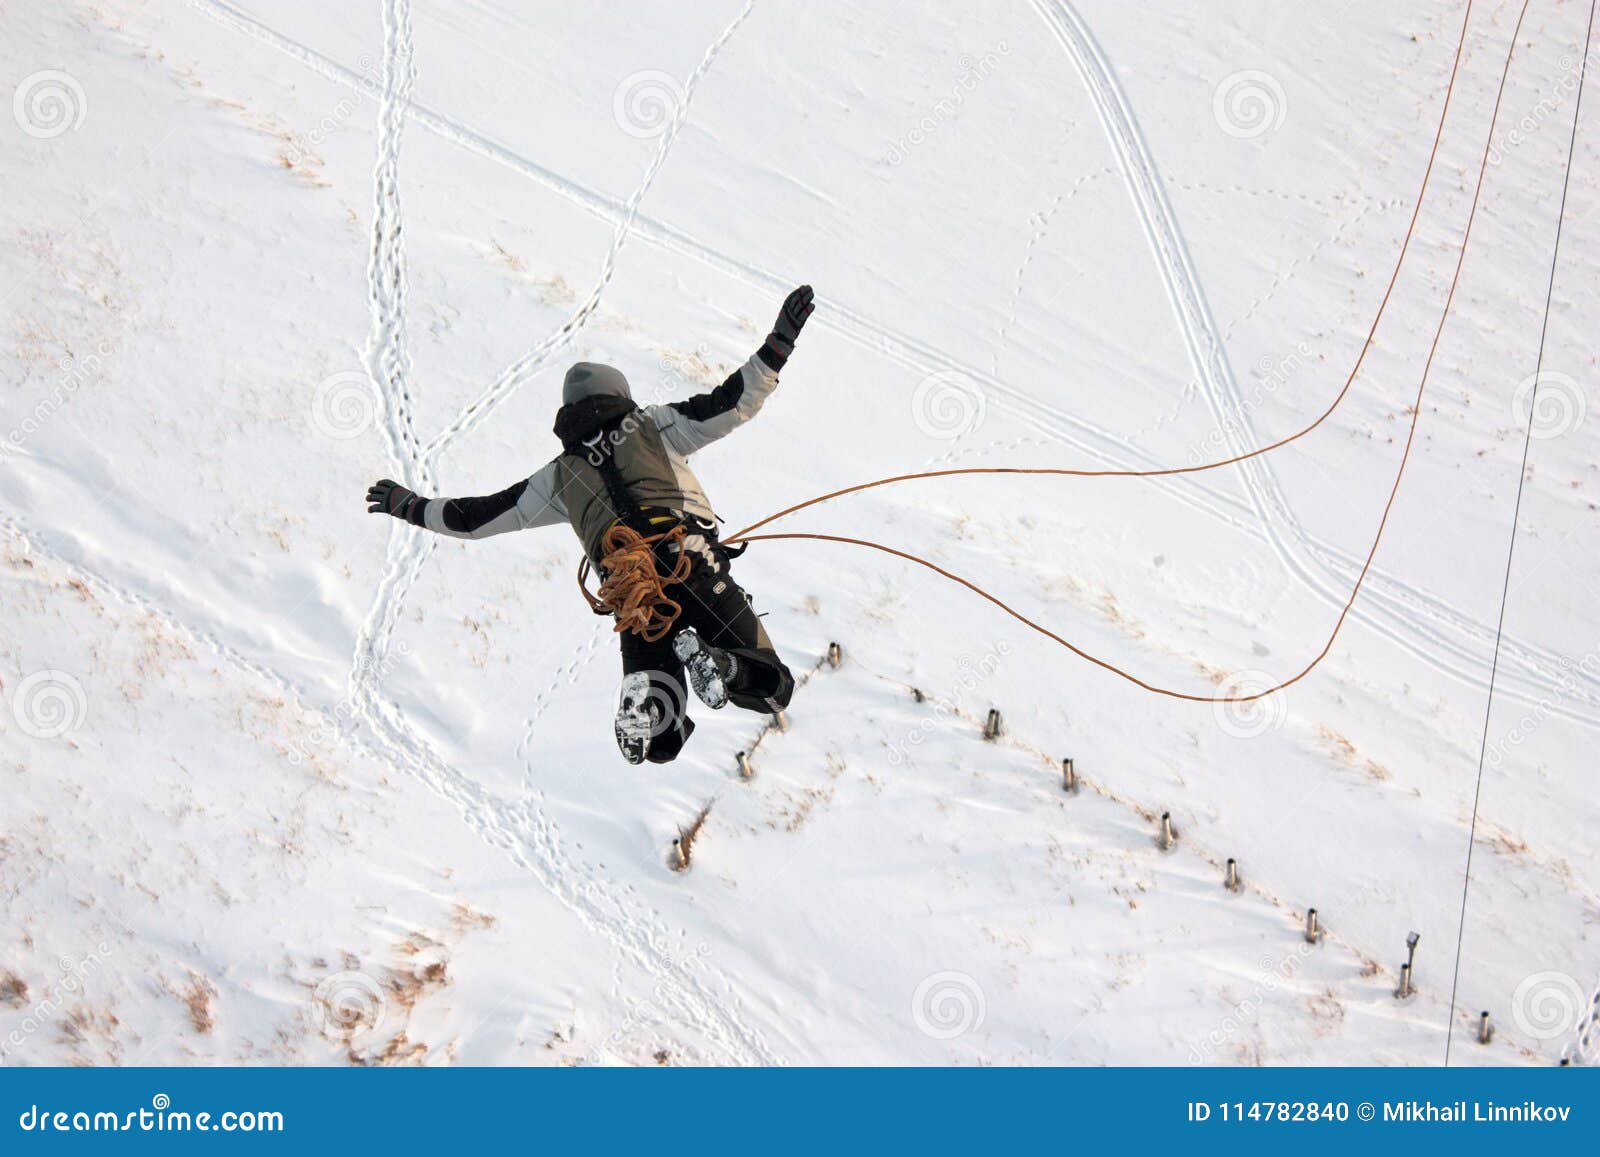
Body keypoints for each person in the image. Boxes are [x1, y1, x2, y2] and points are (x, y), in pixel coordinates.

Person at [366, 286, 815, 764]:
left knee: (660, 743)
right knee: (773, 688)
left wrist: (408, 505)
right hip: (691, 565)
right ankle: (725, 665)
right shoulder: (656, 426)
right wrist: (780, 342)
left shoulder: (557, 478)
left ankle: (645, 703)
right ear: (620, 395)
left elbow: (474, 519)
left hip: (634, 597)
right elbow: (734, 402)